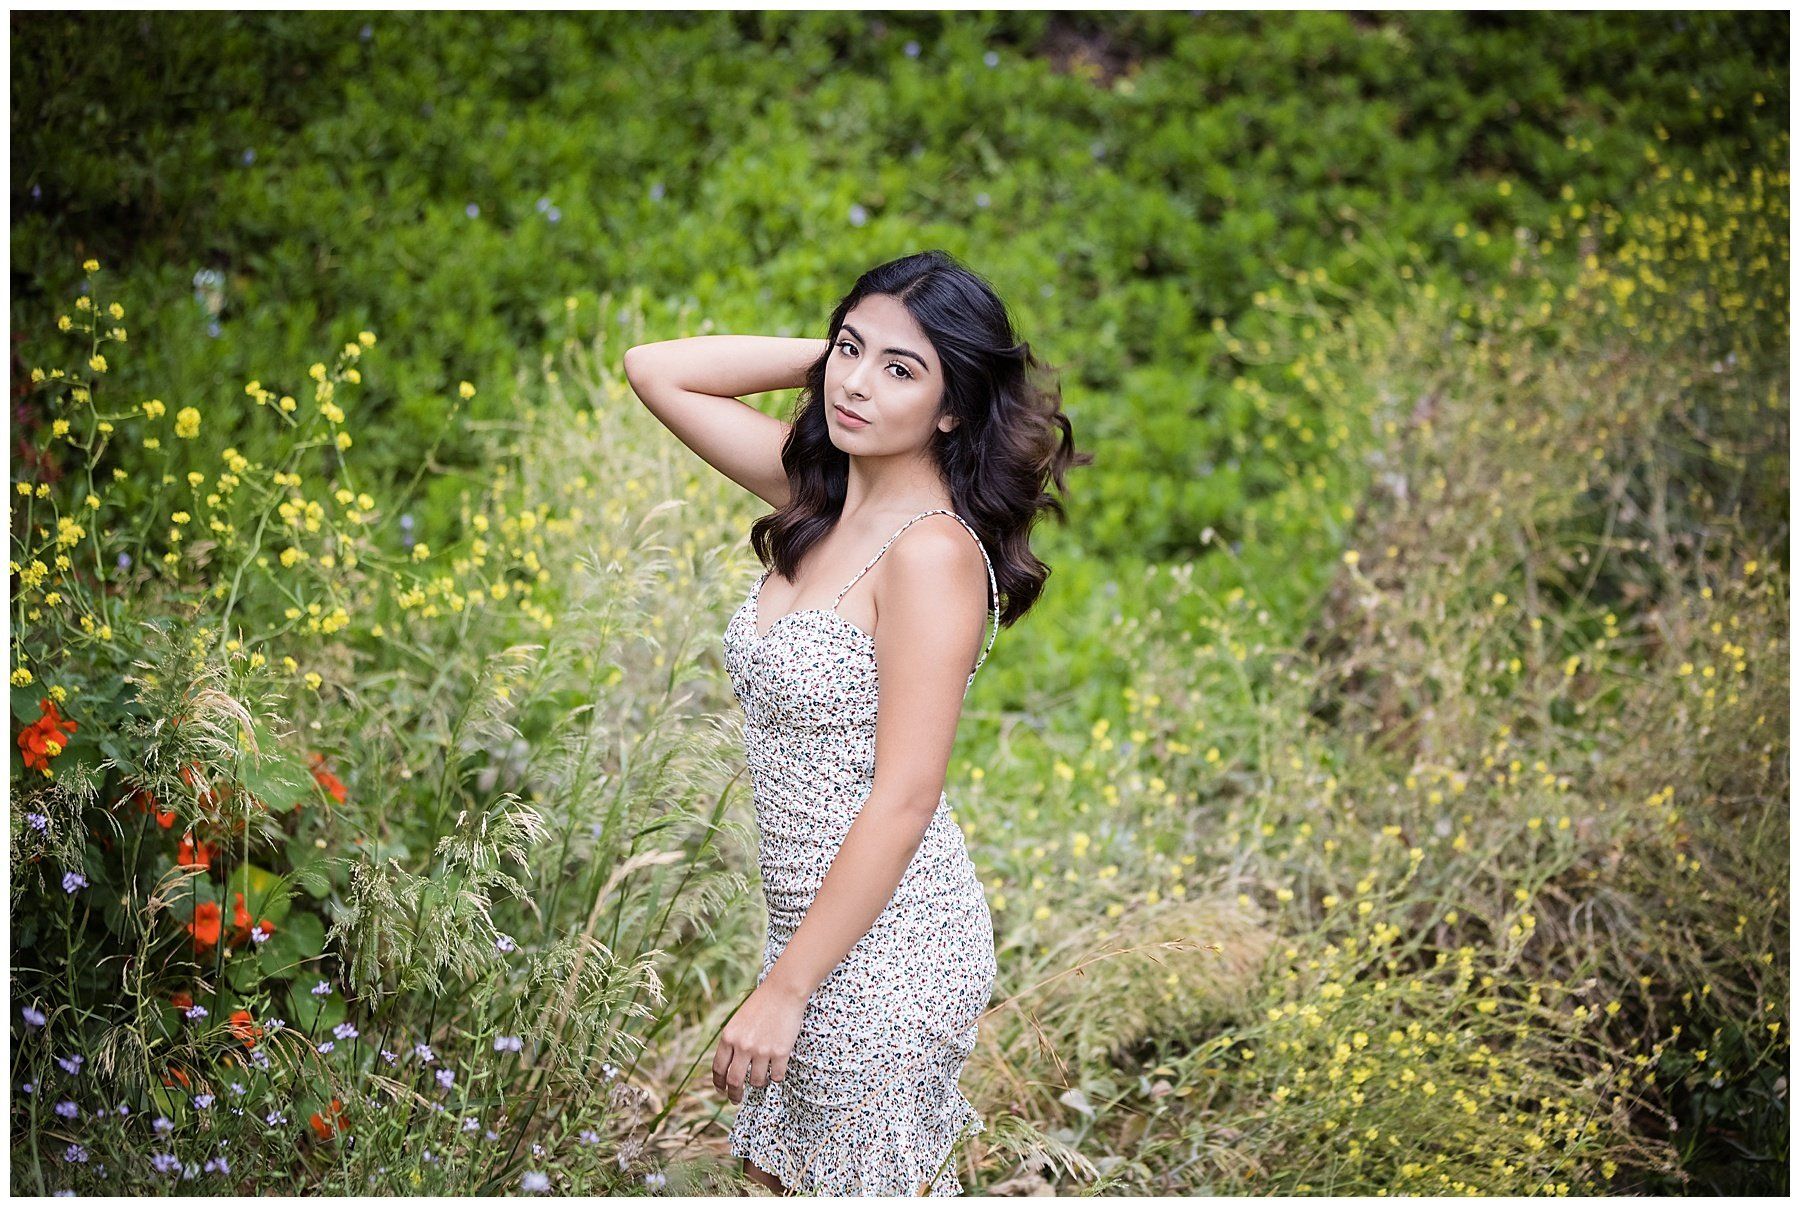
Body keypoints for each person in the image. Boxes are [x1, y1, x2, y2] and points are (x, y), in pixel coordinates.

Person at [624, 249, 1089, 1195]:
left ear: (954, 405)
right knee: (774, 1174)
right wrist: (848, 360)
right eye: (850, 350)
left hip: (896, 942)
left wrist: (787, 990)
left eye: (902, 371)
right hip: (811, 923)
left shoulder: (932, 556)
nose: (858, 384)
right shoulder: (820, 499)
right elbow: (654, 367)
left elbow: (906, 796)